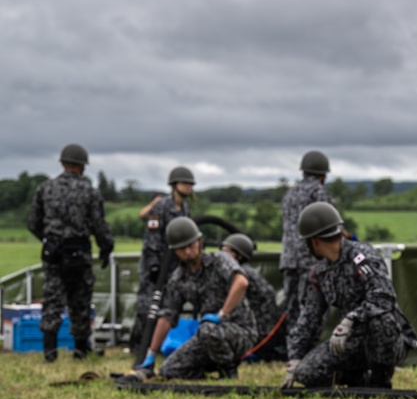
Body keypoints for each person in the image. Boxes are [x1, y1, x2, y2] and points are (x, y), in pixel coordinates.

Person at [282, 202, 416, 389]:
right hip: (348, 340)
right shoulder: (319, 272)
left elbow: (384, 298)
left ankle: (380, 380)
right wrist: (295, 358)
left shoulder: (362, 256)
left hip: (383, 337)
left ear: (314, 241)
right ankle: (358, 380)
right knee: (306, 373)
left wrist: (351, 319)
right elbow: (309, 318)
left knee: (381, 321)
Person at [133, 217, 256, 380]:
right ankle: (207, 373)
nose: (188, 252)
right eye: (182, 249)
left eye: (191, 246)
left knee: (207, 329)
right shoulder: (178, 279)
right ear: (175, 251)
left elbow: (241, 282)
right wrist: (151, 355)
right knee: (169, 370)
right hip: (208, 336)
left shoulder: (220, 260)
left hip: (239, 331)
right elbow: (166, 317)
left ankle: (228, 370)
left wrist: (221, 315)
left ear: (199, 241)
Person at [27, 143, 115, 361]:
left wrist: (48, 239)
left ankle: (49, 352)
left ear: (63, 163)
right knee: (80, 301)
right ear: (82, 166)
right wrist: (106, 248)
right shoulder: (89, 192)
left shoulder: (45, 188)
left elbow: (32, 223)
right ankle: (80, 350)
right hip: (79, 252)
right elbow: (98, 225)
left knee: (52, 299)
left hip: (54, 252)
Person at [130, 166, 196, 351]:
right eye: (184, 183)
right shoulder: (161, 207)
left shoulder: (185, 209)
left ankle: (158, 344)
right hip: (156, 265)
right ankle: (138, 346)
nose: (188, 187)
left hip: (175, 267)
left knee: (168, 307)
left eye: (190, 184)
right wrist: (153, 266)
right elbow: (152, 238)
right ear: (174, 185)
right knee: (147, 307)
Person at [280, 151, 335, 339]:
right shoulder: (318, 192)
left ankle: (292, 347)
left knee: (292, 307)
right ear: (322, 175)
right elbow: (329, 224)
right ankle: (307, 347)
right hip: (311, 260)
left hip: (288, 260)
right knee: (311, 307)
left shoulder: (289, 193)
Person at [220, 232, 285, 361]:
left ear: (239, 255)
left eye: (227, 252)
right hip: (265, 333)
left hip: (259, 334)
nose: (222, 256)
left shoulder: (240, 274)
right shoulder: (245, 271)